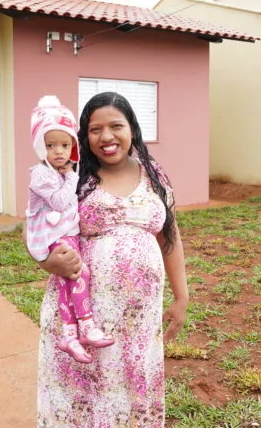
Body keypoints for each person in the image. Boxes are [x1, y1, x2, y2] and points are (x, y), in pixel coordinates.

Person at [34, 91, 189, 427]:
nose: (106, 137)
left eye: (116, 125)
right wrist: (49, 263)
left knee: (128, 394)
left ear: (131, 128)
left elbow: (170, 236)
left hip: (138, 321)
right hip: (82, 318)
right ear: (83, 137)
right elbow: (33, 227)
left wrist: (182, 296)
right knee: (82, 399)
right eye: (94, 129)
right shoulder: (70, 177)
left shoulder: (154, 175)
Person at [26, 95, 114, 365]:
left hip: (67, 233)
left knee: (68, 281)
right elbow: (61, 201)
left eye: (65, 144)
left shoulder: (62, 171)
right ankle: (86, 325)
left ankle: (69, 334)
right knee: (79, 272)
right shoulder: (42, 174)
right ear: (41, 147)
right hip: (54, 235)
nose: (59, 151)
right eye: (51, 145)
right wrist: (73, 176)